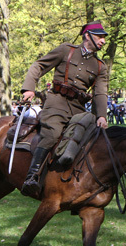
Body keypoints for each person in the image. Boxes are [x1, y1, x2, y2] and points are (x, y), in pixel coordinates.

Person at [20, 20, 109, 196]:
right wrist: (29, 88)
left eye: (104, 38)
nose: (103, 41)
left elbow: (100, 93)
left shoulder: (100, 66)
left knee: (89, 140)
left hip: (79, 109)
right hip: (56, 102)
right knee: (52, 133)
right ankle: (32, 177)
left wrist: (101, 116)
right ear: (87, 36)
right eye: (100, 37)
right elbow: (39, 65)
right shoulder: (66, 51)